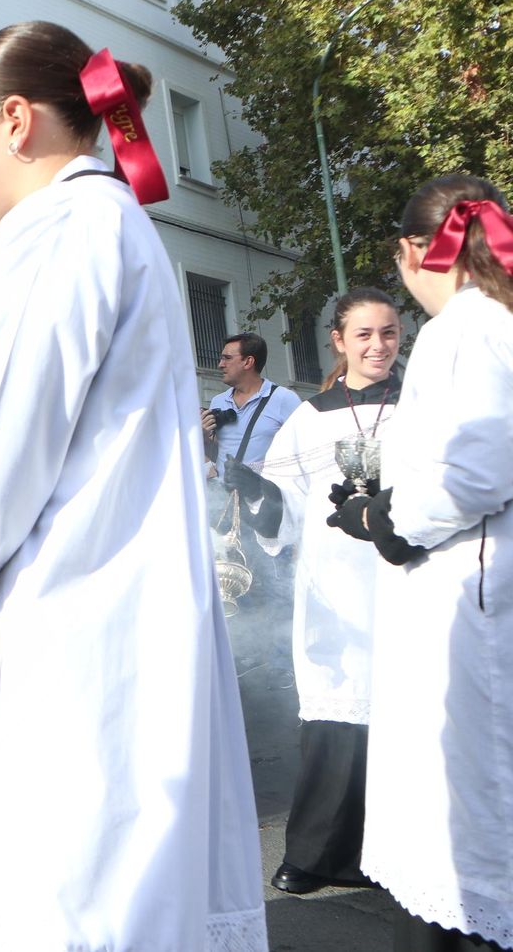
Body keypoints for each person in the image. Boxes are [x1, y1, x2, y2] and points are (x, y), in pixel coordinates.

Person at [0, 21, 265, 950]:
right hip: (122, 638)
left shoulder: (51, 234)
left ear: (14, 121)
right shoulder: (119, 224)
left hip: (56, 654)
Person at [327, 175, 513, 952]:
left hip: (468, 598)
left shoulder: (468, 328)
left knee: (467, 814)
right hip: (470, 587)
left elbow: (477, 469)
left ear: (415, 250)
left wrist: (389, 520)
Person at [228, 288, 401, 895]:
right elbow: (284, 510)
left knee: (406, 714)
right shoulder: (309, 417)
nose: (377, 346)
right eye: (364, 335)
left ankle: (397, 856)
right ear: (338, 340)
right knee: (336, 709)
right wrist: (255, 492)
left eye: (388, 333)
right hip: (337, 587)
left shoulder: (425, 406)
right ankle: (317, 854)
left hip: (408, 583)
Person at [203, 332, 302, 472]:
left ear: (248, 362)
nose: (220, 364)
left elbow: (305, 447)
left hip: (265, 492)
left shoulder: (284, 399)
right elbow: (217, 450)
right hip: (224, 492)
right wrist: (204, 436)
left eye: (227, 358)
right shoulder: (218, 401)